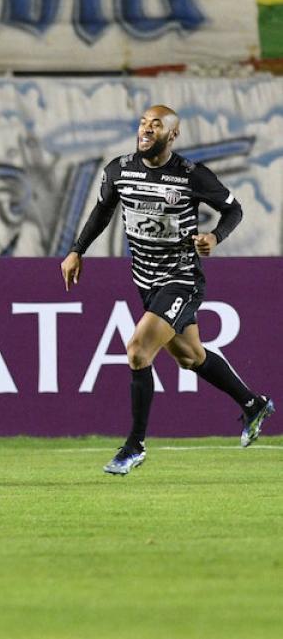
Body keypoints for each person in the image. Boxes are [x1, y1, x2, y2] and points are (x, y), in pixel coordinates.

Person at [61, 105, 273, 475]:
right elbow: (101, 212)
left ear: (172, 135)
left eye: (155, 126)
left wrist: (214, 237)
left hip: (182, 278)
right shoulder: (120, 170)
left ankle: (134, 446)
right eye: (143, 124)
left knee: (138, 351)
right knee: (191, 357)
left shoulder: (191, 176)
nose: (146, 130)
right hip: (145, 279)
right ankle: (253, 404)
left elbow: (233, 210)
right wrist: (77, 250)